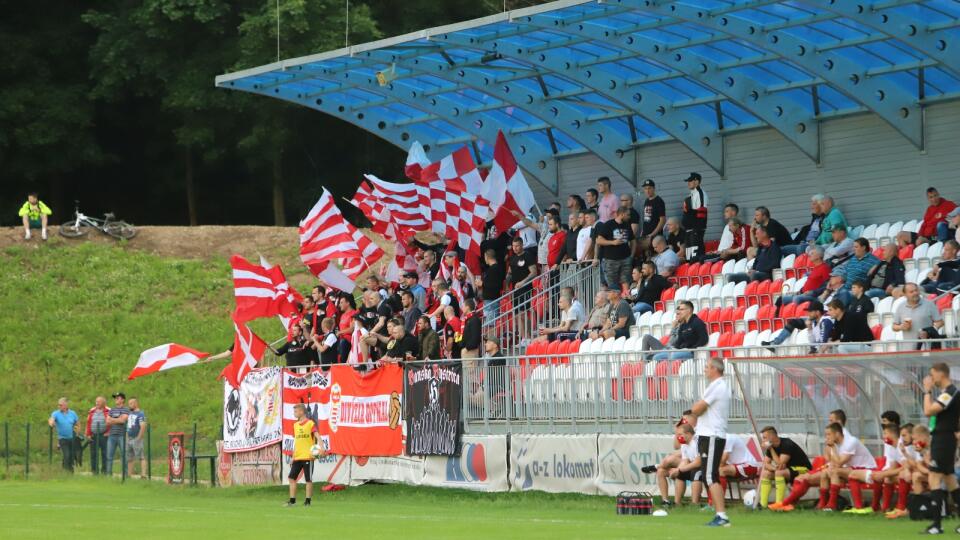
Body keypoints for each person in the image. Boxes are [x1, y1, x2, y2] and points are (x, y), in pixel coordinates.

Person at [920, 363, 960, 535]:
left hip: (944, 439)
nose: (931, 379)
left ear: (941, 374)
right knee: (950, 480)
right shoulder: (950, 393)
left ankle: (936, 525)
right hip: (944, 439)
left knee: (934, 477)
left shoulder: (949, 393)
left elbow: (929, 411)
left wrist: (927, 391)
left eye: (932, 374)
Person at [690, 358, 731, 527]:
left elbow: (697, 409)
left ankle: (722, 516)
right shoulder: (718, 385)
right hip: (709, 435)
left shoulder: (718, 385)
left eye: (707, 367)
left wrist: (695, 409)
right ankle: (719, 514)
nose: (705, 370)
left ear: (715, 368)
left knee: (710, 475)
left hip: (712, 435)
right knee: (710, 475)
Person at [843, 423, 904, 514]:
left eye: (885, 434)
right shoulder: (891, 447)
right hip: (891, 472)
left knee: (888, 477)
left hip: (909, 474)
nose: (883, 437)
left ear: (892, 434)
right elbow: (893, 467)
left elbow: (907, 468)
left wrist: (883, 474)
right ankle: (863, 508)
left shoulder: (902, 446)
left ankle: (893, 508)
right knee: (854, 474)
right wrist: (883, 473)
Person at [819, 422, 877, 512]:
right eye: (826, 435)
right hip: (851, 469)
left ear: (837, 434)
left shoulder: (851, 441)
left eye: (829, 434)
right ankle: (822, 504)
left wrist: (833, 448)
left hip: (865, 469)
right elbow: (830, 461)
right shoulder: (836, 444)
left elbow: (839, 463)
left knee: (834, 471)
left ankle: (832, 504)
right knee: (824, 472)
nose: (827, 437)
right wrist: (829, 448)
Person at [759, 426, 812, 509]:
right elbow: (766, 464)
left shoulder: (786, 444)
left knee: (779, 472)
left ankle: (779, 504)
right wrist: (774, 468)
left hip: (803, 469)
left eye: (765, 438)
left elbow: (780, 463)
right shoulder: (771, 447)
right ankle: (763, 505)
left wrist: (771, 449)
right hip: (788, 470)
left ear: (772, 436)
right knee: (766, 474)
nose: (763, 440)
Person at [640, 300, 709, 360]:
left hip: (690, 352)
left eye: (682, 309)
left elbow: (704, 339)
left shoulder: (697, 322)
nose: (680, 311)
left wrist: (692, 349)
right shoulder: (683, 325)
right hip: (678, 350)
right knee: (657, 356)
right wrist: (674, 348)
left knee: (662, 357)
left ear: (689, 310)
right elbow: (679, 341)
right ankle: (645, 358)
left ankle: (647, 359)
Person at [762, 300, 833, 353]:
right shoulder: (814, 323)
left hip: (828, 352)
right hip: (821, 351)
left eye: (810, 311)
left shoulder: (825, 321)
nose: (808, 314)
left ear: (817, 312)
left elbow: (823, 341)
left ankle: (775, 343)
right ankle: (775, 343)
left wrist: (815, 350)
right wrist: (809, 329)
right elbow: (813, 341)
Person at [287, 403, 322, 507]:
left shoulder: (310, 423)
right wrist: (293, 457)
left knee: (308, 479)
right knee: (291, 478)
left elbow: (317, 436)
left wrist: (322, 447)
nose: (294, 413)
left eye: (296, 411)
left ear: (302, 412)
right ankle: (292, 501)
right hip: (298, 456)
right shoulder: (295, 425)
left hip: (308, 456)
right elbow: (296, 442)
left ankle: (308, 501)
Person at [893, 282, 943, 350]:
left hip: (926, 348)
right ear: (905, 295)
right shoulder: (900, 307)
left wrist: (929, 331)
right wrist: (901, 327)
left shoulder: (929, 304)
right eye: (911, 292)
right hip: (908, 349)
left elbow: (940, 322)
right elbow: (894, 327)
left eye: (916, 290)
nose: (915, 293)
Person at [597, 207, 635, 290]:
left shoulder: (627, 225)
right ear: (622, 214)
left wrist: (631, 255)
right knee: (612, 284)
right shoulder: (609, 224)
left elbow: (633, 241)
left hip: (625, 258)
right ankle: (615, 302)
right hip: (611, 260)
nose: (629, 217)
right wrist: (612, 242)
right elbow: (599, 240)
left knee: (626, 281)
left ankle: (626, 300)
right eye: (628, 215)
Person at [667, 423, 704, 507]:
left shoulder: (697, 442)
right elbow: (685, 461)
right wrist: (677, 471)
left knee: (695, 473)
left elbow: (698, 463)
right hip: (695, 466)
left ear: (688, 434)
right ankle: (677, 503)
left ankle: (695, 503)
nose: (678, 437)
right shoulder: (684, 444)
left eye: (680, 434)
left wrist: (679, 469)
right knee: (680, 474)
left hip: (705, 467)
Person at [681, 172, 708, 262]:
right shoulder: (691, 195)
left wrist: (696, 230)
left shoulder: (700, 193)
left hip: (695, 230)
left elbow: (701, 212)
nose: (688, 183)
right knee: (689, 256)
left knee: (696, 256)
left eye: (690, 181)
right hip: (689, 230)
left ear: (697, 181)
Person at [507, 236, 538, 309]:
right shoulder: (512, 257)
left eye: (517, 246)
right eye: (513, 246)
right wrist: (507, 286)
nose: (514, 248)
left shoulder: (528, 256)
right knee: (516, 313)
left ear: (522, 245)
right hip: (515, 290)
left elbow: (534, 273)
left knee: (525, 312)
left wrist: (522, 282)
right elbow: (509, 273)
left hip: (525, 289)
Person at [49, 398, 79, 472]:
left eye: (60, 405)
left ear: (65, 405)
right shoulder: (56, 413)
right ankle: (66, 472)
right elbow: (51, 419)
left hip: (72, 438)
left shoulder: (73, 413)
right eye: (58, 405)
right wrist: (51, 423)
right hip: (62, 438)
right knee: (67, 454)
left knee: (71, 456)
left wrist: (77, 431)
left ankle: (70, 471)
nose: (59, 406)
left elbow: (78, 423)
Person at [639, 179, 666, 257]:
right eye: (645, 188)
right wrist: (643, 232)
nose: (647, 191)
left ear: (654, 188)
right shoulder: (646, 201)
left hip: (655, 236)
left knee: (655, 258)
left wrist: (653, 234)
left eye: (649, 188)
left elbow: (662, 220)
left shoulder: (659, 201)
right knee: (646, 258)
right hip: (646, 235)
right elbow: (646, 218)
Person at [105, 392, 130, 477]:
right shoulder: (112, 410)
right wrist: (117, 419)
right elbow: (107, 422)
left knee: (124, 456)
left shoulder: (126, 409)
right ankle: (109, 475)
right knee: (109, 456)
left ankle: (125, 475)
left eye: (118, 398)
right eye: (115, 398)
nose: (116, 399)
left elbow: (123, 421)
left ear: (122, 400)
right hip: (112, 435)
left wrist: (113, 419)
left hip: (121, 435)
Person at [85, 396, 110, 475]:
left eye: (98, 402)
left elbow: (112, 423)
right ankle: (94, 471)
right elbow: (88, 422)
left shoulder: (109, 410)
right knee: (93, 454)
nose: (97, 403)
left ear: (103, 403)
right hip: (93, 435)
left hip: (104, 435)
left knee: (105, 453)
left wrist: (109, 432)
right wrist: (88, 434)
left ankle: (104, 471)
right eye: (96, 401)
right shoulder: (92, 410)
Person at [125, 398, 147, 479]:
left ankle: (143, 475)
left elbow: (143, 426)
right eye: (129, 403)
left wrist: (139, 438)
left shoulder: (140, 414)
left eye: (131, 403)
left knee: (141, 456)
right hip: (129, 438)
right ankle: (129, 475)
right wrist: (127, 436)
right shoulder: (130, 413)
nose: (129, 405)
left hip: (136, 438)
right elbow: (128, 426)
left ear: (136, 403)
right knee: (130, 458)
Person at [460, 298, 482, 364]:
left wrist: (466, 348)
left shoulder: (474, 319)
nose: (462, 308)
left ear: (467, 307)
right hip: (467, 351)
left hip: (471, 352)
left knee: (471, 373)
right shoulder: (468, 319)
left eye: (463, 306)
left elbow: (476, 338)